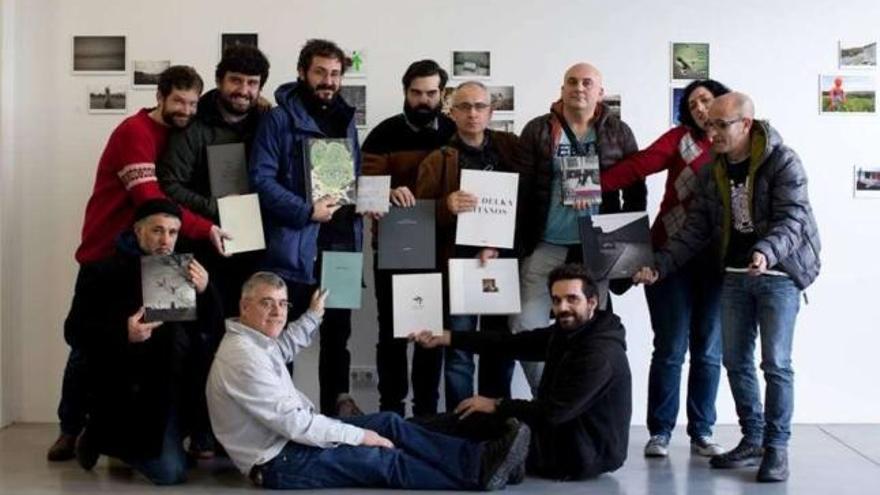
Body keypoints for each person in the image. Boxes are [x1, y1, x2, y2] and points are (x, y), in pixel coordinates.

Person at [633, 92, 821, 482]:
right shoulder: (712, 171)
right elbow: (695, 230)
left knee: (776, 364)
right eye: (709, 124)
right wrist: (660, 266)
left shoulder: (783, 161)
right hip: (735, 274)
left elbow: (794, 218)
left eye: (721, 124)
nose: (711, 130)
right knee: (734, 361)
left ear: (746, 124)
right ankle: (752, 438)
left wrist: (765, 253)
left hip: (780, 274)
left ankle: (776, 447)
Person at [48, 66, 228, 462]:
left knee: (159, 339)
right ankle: (69, 428)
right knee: (89, 344)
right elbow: (149, 199)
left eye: (193, 103)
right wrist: (205, 227)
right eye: (178, 101)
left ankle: (138, 432)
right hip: (107, 251)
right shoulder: (135, 132)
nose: (186, 109)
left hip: (151, 253)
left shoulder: (181, 130)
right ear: (160, 97)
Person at [206, 271, 530, 490]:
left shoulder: (256, 341)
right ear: (244, 306)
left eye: (282, 303)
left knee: (389, 422)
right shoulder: (243, 356)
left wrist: (314, 314)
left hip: (293, 439)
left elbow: (286, 346)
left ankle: (484, 458)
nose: (278, 312)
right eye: (267, 303)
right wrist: (361, 436)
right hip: (279, 460)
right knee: (383, 460)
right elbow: (295, 426)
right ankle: (479, 470)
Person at [601, 79, 731, 458]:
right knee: (670, 348)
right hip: (666, 255)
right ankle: (659, 432)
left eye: (706, 100)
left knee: (708, 349)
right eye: (693, 105)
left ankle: (703, 431)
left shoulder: (735, 144)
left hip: (716, 261)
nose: (701, 108)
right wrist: (592, 187)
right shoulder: (679, 140)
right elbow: (639, 165)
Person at [250, 39, 379, 415]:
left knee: (337, 335)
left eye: (335, 73)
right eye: (320, 72)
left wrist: (369, 201)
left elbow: (351, 177)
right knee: (280, 334)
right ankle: (281, 417)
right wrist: (306, 211)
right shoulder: (278, 119)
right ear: (303, 72)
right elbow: (261, 179)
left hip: (341, 244)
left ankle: (333, 419)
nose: (328, 80)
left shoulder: (346, 118)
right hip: (294, 246)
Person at [411, 263, 632, 481]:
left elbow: (554, 412)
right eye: (556, 300)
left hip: (578, 455)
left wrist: (496, 404)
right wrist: (449, 338)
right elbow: (510, 343)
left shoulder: (600, 353)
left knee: (462, 440)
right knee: (464, 422)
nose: (562, 307)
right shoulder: (568, 332)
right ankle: (393, 430)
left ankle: (395, 435)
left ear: (592, 302)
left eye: (572, 299)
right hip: (557, 437)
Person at [512, 63, 646, 396]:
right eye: (572, 81)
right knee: (524, 324)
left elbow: (635, 190)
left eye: (588, 82)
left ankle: (582, 403)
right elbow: (522, 189)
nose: (579, 88)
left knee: (594, 334)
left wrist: (631, 252)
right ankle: (550, 399)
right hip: (546, 243)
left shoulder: (619, 131)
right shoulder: (538, 130)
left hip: (596, 248)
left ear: (600, 92)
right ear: (562, 89)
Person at [71, 199, 224, 485]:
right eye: (157, 230)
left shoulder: (183, 268)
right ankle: (99, 435)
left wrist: (205, 290)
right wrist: (123, 332)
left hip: (175, 388)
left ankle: (122, 439)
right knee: (170, 474)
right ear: (138, 231)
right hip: (128, 387)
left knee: (174, 463)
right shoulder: (100, 270)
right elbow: (74, 331)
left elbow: (212, 329)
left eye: (173, 232)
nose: (166, 240)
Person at [414, 81, 520, 411]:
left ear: (491, 111)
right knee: (459, 350)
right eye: (464, 106)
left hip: (502, 262)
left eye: (479, 106)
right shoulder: (438, 159)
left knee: (499, 348)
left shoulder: (512, 150)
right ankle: (460, 421)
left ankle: (496, 418)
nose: (472, 113)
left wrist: (502, 245)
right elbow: (419, 215)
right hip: (458, 264)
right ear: (452, 113)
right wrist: (446, 204)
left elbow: (529, 203)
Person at [361, 59, 455, 417]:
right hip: (393, 249)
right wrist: (387, 191)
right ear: (405, 92)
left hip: (439, 250)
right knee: (392, 335)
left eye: (431, 93)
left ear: (441, 94)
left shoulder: (452, 130)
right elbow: (364, 193)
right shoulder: (383, 133)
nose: (423, 100)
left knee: (430, 334)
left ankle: (427, 413)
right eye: (416, 92)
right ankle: (391, 411)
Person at [158, 45, 271, 321]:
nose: (243, 89)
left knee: (242, 329)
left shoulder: (268, 124)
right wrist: (215, 206)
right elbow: (168, 186)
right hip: (195, 248)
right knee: (187, 335)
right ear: (220, 81)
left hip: (250, 249)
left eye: (252, 83)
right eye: (235, 80)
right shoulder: (192, 126)